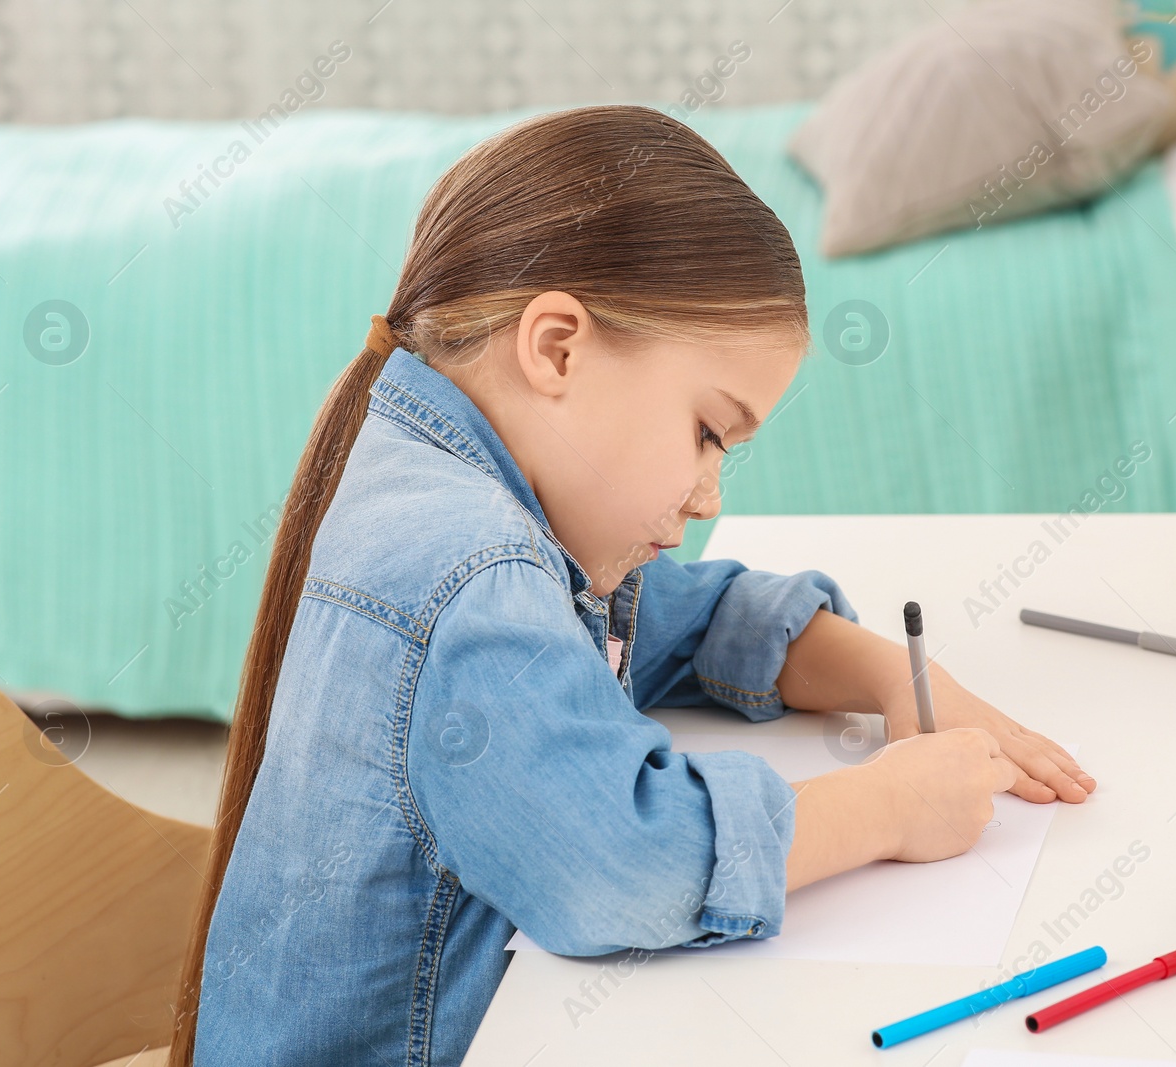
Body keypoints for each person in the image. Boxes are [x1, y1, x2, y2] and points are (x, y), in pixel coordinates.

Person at [172, 103, 1095, 1066]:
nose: (706, 494)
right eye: (707, 430)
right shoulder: (469, 570)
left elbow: (681, 624)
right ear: (558, 348)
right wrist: (886, 809)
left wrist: (890, 678)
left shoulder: (466, 488)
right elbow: (621, 867)